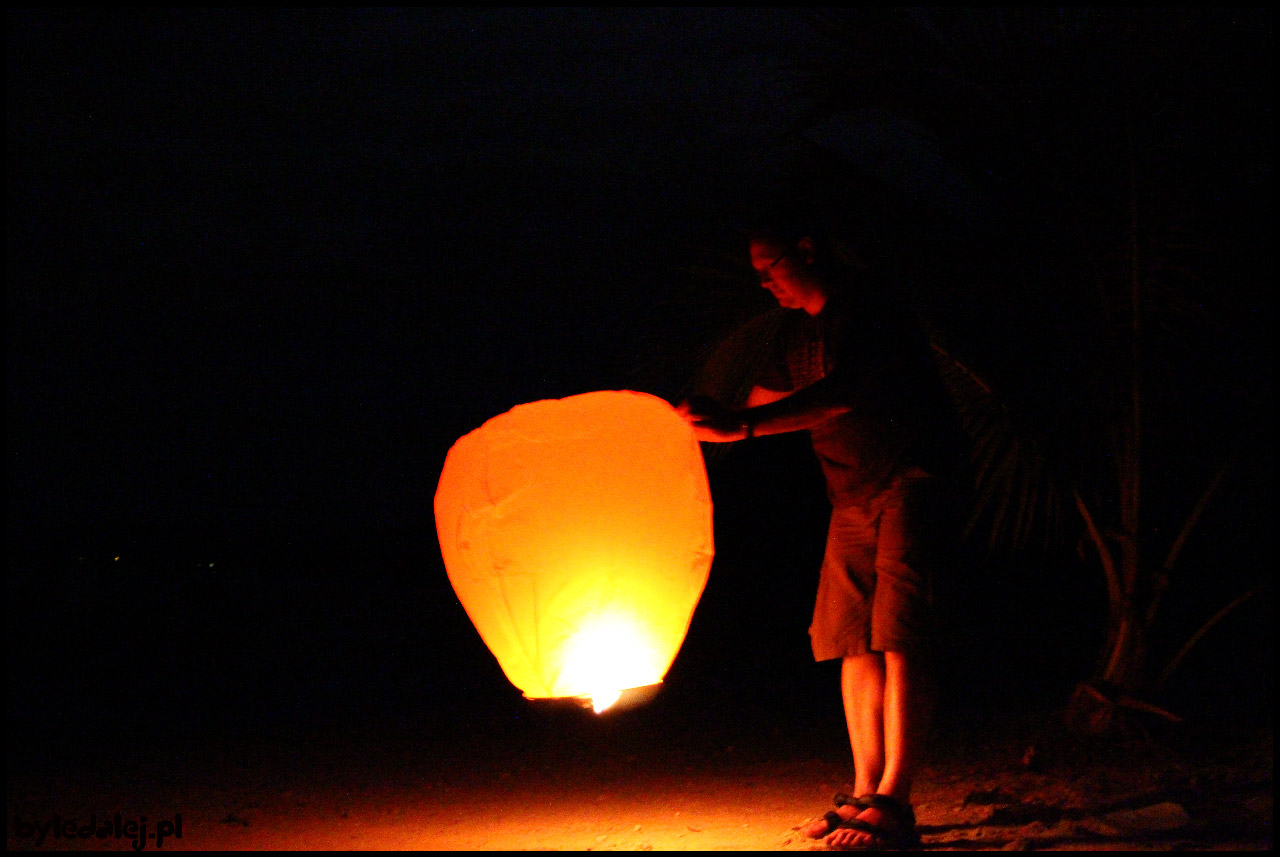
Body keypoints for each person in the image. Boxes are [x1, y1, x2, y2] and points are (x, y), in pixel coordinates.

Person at [679, 221, 966, 850]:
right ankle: (864, 790)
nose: (763, 282)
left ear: (808, 250)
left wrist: (741, 426)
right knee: (850, 637)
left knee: (899, 633)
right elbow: (763, 399)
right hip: (850, 493)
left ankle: (895, 800)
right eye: (756, 272)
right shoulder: (795, 331)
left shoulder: (867, 308)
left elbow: (842, 395)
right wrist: (684, 428)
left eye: (770, 265)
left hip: (908, 476)